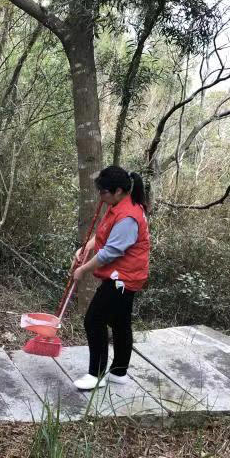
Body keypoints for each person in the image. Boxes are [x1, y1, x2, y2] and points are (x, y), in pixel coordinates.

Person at [71, 165, 150, 390]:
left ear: (117, 191)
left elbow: (110, 252)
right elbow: (105, 233)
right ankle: (119, 372)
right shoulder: (119, 205)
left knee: (93, 320)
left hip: (122, 279)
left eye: (103, 192)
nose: (100, 196)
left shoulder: (129, 216)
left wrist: (83, 269)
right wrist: (86, 246)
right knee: (119, 321)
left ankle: (96, 375)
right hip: (125, 276)